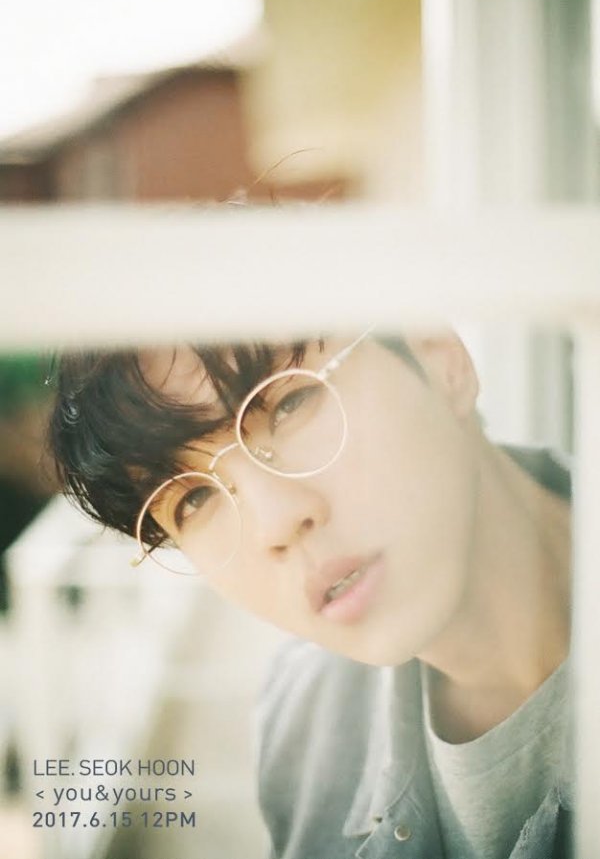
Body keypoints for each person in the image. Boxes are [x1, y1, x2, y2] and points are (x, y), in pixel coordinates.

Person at [48, 329, 572, 859]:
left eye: (290, 403)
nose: (274, 523)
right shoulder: (302, 719)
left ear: (439, 357)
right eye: (195, 499)